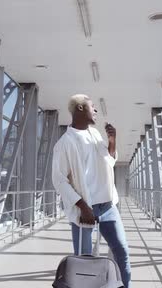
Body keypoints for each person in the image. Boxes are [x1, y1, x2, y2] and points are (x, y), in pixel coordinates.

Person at [52, 94, 131, 287]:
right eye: (92, 106)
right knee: (83, 262)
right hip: (84, 210)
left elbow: (109, 159)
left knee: (122, 252)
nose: (95, 110)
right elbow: (59, 180)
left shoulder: (94, 134)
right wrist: (83, 207)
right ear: (80, 109)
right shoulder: (64, 143)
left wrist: (112, 140)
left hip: (108, 207)